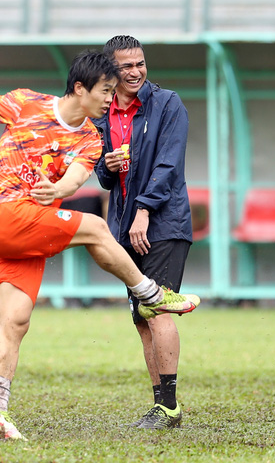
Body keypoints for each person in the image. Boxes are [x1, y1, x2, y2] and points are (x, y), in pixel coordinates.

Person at [0, 50, 200, 441]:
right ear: (80, 88)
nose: (109, 99)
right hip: (4, 215)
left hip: (30, 231)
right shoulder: (25, 102)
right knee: (97, 228)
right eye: (104, 90)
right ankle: (150, 293)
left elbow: (74, 181)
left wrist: (59, 189)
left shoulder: (89, 137)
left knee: (15, 319)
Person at [93, 36, 193, 430]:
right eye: (126, 66)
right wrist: (109, 164)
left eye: (140, 63)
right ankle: (160, 405)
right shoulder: (103, 112)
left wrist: (144, 212)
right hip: (126, 225)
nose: (135, 72)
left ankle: (169, 406)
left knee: (159, 307)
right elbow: (101, 176)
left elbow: (168, 166)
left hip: (162, 223)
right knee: (140, 316)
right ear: (110, 71)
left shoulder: (168, 104)